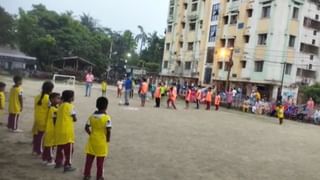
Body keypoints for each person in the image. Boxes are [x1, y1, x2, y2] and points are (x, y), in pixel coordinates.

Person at [83, 97, 112, 180]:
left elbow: (86, 127)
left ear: (96, 105)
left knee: (89, 159)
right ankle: (99, 176)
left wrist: (91, 134)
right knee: (100, 161)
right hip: (101, 141)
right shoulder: (107, 118)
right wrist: (108, 139)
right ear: (106, 106)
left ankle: (86, 174)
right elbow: (108, 130)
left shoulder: (92, 116)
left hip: (92, 140)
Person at [54, 90, 77, 172]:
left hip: (59, 130)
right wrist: (74, 117)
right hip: (67, 131)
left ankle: (58, 162)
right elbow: (74, 118)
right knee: (69, 149)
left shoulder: (60, 105)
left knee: (60, 147)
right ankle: (67, 165)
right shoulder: (71, 106)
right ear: (71, 98)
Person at [32, 81, 54, 156]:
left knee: (36, 135)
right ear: (51, 89)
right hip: (44, 120)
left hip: (37, 119)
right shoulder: (48, 98)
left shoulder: (37, 96)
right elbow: (50, 108)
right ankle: (39, 150)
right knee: (41, 136)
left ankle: (35, 149)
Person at [42, 92, 61, 166]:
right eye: (58, 98)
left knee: (47, 144)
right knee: (50, 145)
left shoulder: (51, 107)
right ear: (52, 99)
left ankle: (45, 158)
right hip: (52, 129)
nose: (59, 100)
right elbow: (55, 120)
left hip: (49, 128)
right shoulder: (54, 109)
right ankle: (50, 160)